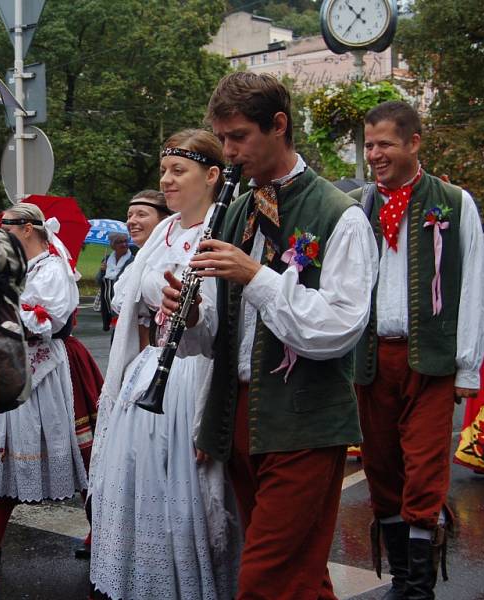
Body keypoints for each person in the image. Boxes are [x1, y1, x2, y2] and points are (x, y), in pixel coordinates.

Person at [165, 73, 378, 599]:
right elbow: (225, 329)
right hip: (238, 415)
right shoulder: (234, 209)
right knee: (299, 577)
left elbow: (339, 329)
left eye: (238, 137)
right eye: (223, 138)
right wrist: (191, 321)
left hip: (303, 421)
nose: (230, 154)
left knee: (264, 580)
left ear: (278, 126)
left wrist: (256, 276)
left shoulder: (340, 216)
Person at [89, 129, 240, 600]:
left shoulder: (222, 226)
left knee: (187, 493)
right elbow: (128, 295)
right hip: (149, 369)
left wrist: (185, 307)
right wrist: (156, 289)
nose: (167, 181)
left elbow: (220, 322)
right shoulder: (164, 231)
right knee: (137, 484)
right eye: (164, 171)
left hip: (193, 375)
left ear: (213, 176)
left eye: (179, 171)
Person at [351, 100, 484, 599]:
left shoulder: (452, 200)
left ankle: (419, 587)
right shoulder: (360, 204)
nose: (375, 154)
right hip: (370, 359)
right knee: (381, 465)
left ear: (413, 143)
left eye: (384, 143)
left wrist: (467, 366)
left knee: (425, 469)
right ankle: (402, 575)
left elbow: (473, 284)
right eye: (369, 145)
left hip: (430, 357)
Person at [0, 202, 88, 565]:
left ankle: (101, 534)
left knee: (81, 454)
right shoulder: (15, 267)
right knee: (3, 460)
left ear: (28, 228)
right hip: (11, 366)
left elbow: (44, 322)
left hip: (43, 373)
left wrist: (0, 309)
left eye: (6, 223)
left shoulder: (52, 268)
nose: (1, 229)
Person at [95, 232, 133, 331]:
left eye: (126, 241)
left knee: (118, 336)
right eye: (120, 242)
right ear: (113, 245)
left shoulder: (132, 260)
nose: (124, 244)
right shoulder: (106, 259)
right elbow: (99, 281)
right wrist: (102, 271)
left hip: (122, 304)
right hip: (107, 305)